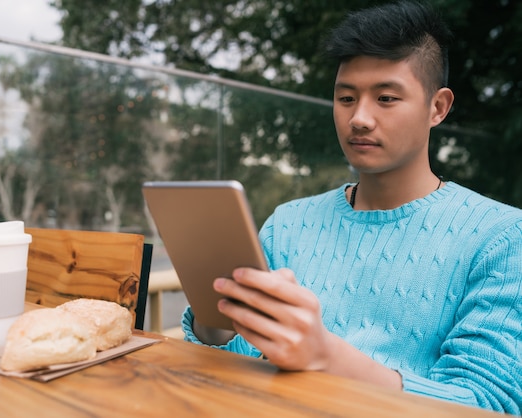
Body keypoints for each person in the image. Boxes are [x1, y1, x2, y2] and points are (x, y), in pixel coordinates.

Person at [180, 0, 522, 414]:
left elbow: (488, 403)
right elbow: (233, 359)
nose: (359, 118)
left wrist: (327, 358)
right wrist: (211, 319)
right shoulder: (289, 221)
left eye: (386, 98)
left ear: (438, 107)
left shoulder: (501, 235)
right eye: (345, 98)